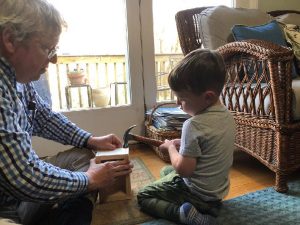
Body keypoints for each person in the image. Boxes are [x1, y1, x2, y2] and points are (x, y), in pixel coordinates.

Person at [0, 0, 133, 225]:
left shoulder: (17, 79)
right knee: (87, 177)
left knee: (85, 157)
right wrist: (88, 181)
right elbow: (24, 177)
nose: (54, 59)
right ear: (10, 39)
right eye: (46, 48)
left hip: (20, 196)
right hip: (7, 206)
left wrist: (90, 140)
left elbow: (43, 116)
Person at [137, 48, 236, 225]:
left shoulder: (193, 125)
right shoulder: (228, 117)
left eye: (181, 98)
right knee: (166, 172)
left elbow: (184, 170)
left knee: (144, 195)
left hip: (198, 193)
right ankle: (205, 207)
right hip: (217, 193)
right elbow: (208, 148)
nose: (177, 103)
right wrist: (181, 144)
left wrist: (170, 148)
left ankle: (184, 215)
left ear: (207, 97)